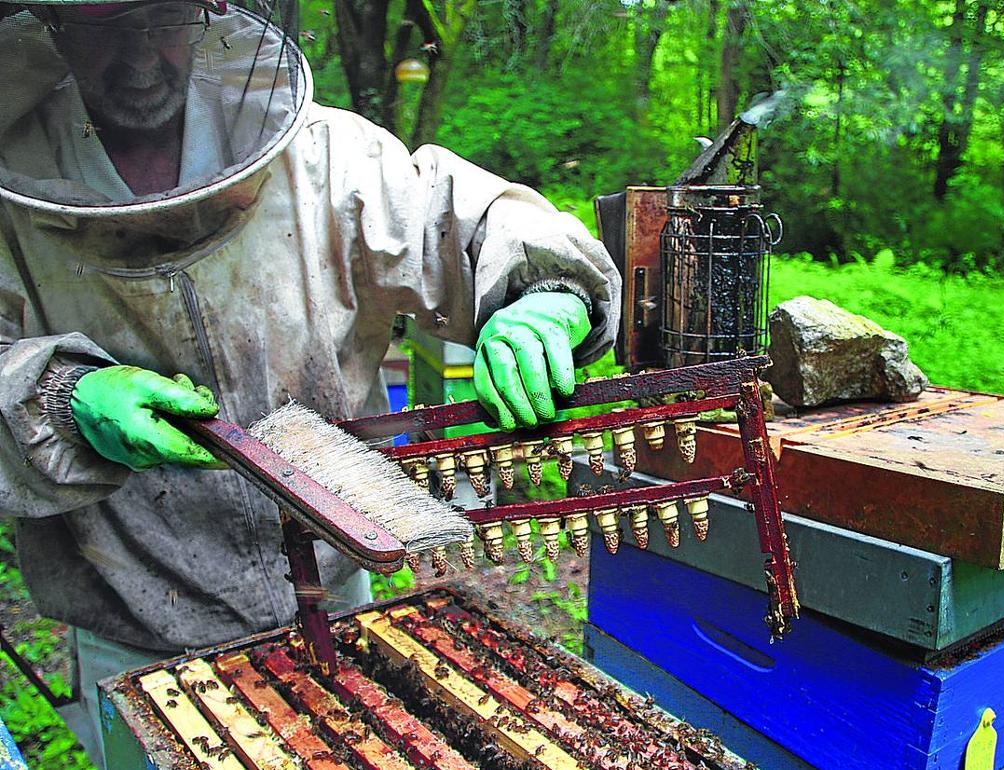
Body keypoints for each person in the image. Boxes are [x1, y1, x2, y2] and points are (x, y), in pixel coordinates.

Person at [0, 0, 621, 765]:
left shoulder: (328, 156)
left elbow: (459, 218)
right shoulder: (13, 192)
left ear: (214, 10)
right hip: (133, 634)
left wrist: (544, 292)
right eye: (101, 28)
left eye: (164, 20)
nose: (138, 61)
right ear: (51, 26)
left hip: (337, 597)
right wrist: (59, 396)